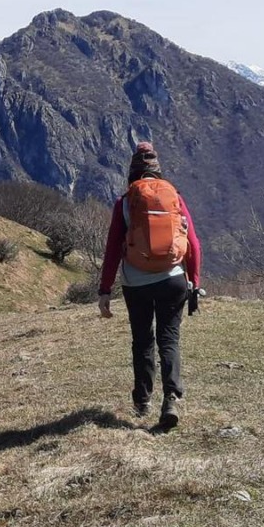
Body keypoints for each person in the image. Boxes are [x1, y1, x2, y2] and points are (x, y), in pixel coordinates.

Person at [98, 142, 202, 429]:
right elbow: (193, 243)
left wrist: (105, 290)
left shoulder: (125, 202)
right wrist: (195, 281)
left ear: (133, 172)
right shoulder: (175, 198)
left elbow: (112, 249)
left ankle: (142, 401)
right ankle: (172, 398)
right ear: (158, 172)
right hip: (173, 280)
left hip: (137, 282)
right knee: (169, 338)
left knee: (142, 340)